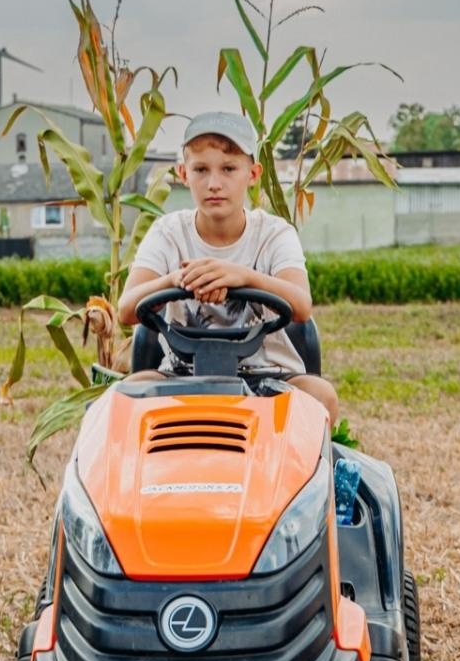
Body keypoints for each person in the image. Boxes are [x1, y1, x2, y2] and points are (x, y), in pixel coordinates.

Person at [118, 111, 339, 426]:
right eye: (201, 170)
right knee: (124, 395)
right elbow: (126, 309)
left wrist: (244, 276)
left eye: (229, 169)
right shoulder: (167, 234)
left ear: (252, 173)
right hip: (181, 377)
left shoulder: (274, 234)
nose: (214, 184)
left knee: (321, 395)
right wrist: (175, 279)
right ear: (183, 173)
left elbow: (301, 306)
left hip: (268, 378)